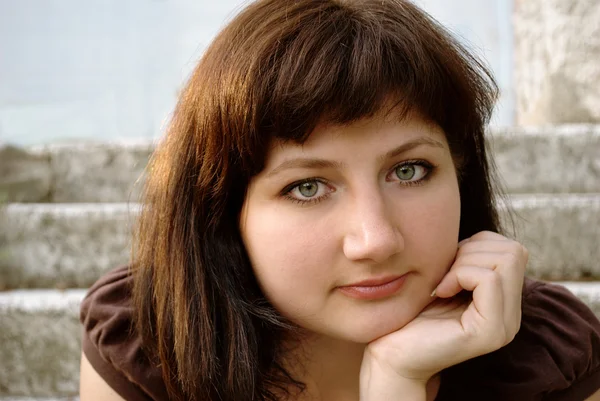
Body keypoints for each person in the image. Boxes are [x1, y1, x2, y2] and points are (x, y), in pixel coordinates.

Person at [78, 0, 600, 400]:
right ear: (223, 210)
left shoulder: (548, 357)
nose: (374, 240)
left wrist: (397, 378)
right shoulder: (151, 338)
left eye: (409, 170)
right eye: (307, 187)